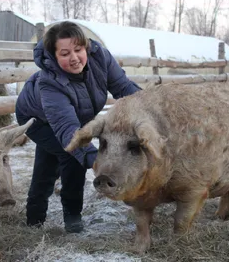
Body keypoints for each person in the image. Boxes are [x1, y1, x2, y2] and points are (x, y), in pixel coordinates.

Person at [15, 21, 141, 233]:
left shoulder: (100, 57)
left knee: (47, 162)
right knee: (71, 156)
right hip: (36, 120)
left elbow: (124, 88)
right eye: (64, 54)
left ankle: (34, 218)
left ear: (86, 47)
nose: (74, 58)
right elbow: (68, 131)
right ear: (54, 56)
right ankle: (72, 218)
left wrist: (149, 109)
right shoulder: (50, 82)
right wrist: (99, 162)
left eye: (78, 50)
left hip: (75, 116)